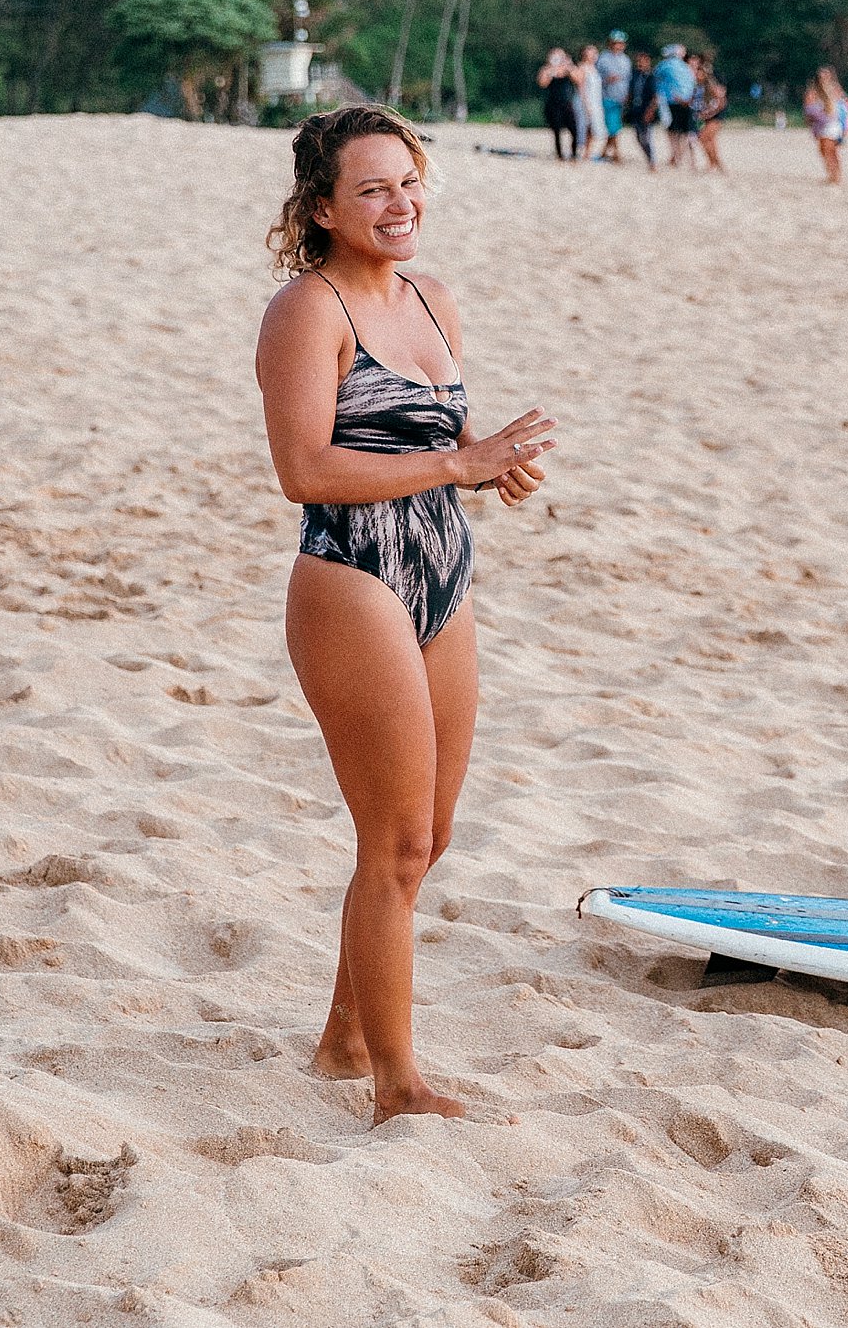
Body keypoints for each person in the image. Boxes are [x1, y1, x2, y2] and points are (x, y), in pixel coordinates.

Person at [254, 104, 560, 1123]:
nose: (399, 203)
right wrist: (456, 462)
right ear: (326, 207)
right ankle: (397, 1084)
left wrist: (489, 462)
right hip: (352, 577)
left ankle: (346, 1035)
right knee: (390, 842)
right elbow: (304, 467)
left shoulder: (432, 296)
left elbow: (438, 425)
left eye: (409, 181)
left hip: (442, 566)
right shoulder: (309, 311)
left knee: (428, 837)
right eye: (374, 188)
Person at [654, 43, 698, 170]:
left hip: (672, 102)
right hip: (687, 102)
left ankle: (675, 156)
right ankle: (685, 158)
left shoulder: (665, 65)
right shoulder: (686, 67)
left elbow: (655, 76)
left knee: (673, 131)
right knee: (686, 132)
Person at [535, 48, 580, 161]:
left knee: (574, 129)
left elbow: (579, 80)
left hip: (567, 103)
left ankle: (574, 153)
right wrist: (551, 71)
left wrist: (569, 67)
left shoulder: (568, 69)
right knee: (556, 130)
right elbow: (542, 83)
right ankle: (560, 155)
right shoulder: (546, 69)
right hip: (553, 104)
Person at [596, 32, 633, 164]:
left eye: (621, 43)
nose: (619, 46)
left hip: (621, 97)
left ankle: (605, 152)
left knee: (616, 126)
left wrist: (628, 95)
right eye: (616, 43)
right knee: (612, 126)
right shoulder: (603, 58)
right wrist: (607, 80)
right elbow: (596, 78)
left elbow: (628, 80)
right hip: (607, 96)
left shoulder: (626, 60)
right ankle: (616, 153)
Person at [689, 51, 729, 173]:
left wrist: (709, 113)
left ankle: (714, 163)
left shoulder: (710, 86)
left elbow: (721, 102)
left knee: (703, 138)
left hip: (716, 116)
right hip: (707, 116)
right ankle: (716, 164)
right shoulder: (697, 87)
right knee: (710, 141)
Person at [575, 44, 605, 163]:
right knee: (584, 127)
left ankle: (588, 152)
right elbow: (581, 87)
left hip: (596, 100)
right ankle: (581, 150)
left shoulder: (595, 68)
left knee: (593, 129)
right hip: (586, 101)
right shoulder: (582, 67)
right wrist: (586, 104)